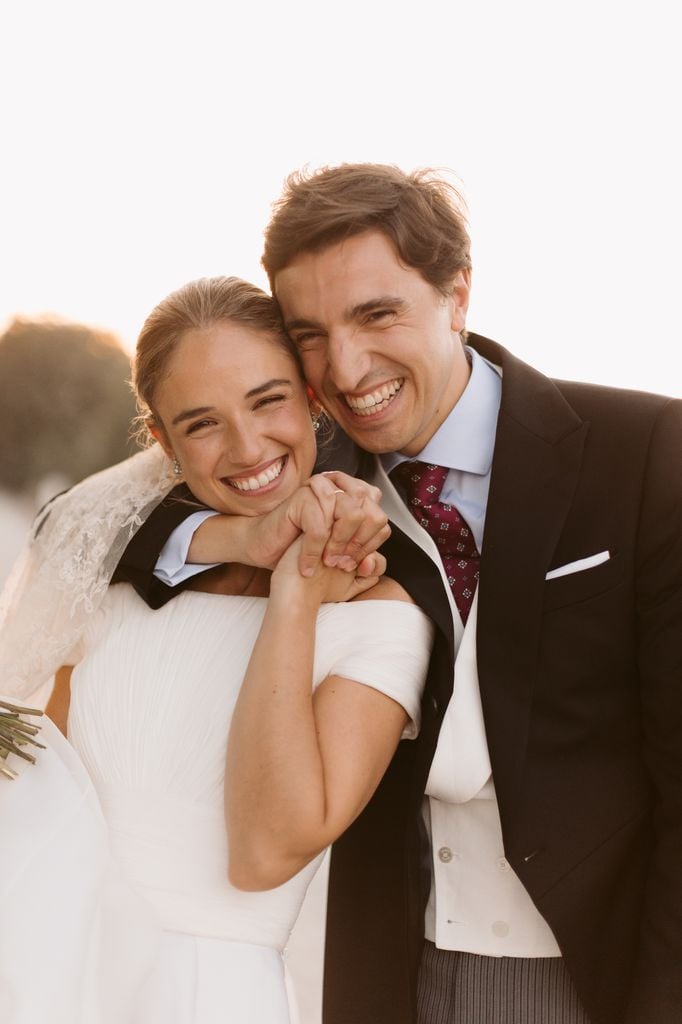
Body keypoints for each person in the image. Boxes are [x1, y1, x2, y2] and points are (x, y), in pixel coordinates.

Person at [118, 165, 682, 1024]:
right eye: (310, 333)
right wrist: (245, 536)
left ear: (458, 294)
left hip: (596, 972)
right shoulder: (303, 470)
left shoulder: (643, 451)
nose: (346, 369)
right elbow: (110, 534)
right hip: (390, 971)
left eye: (376, 314)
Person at [0, 275, 434, 1023]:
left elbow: (263, 856)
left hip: (211, 994)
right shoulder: (116, 585)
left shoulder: (383, 613)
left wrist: (296, 595)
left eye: (268, 400)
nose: (247, 446)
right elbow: (37, 784)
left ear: (312, 398)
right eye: (202, 424)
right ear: (163, 440)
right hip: (48, 959)